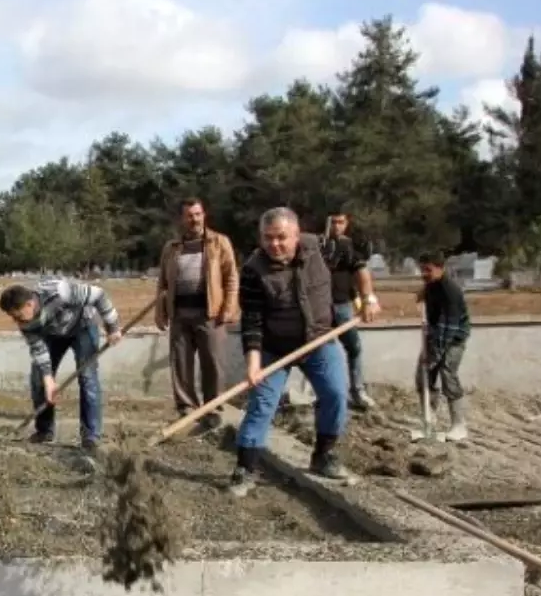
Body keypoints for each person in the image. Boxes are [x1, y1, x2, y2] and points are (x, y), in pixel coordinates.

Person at [229, 207, 379, 498]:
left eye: (281, 237)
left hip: (319, 341)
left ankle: (323, 455)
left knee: (336, 394)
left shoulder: (323, 248)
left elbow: (358, 265)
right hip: (275, 347)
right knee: (262, 404)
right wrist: (253, 364)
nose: (274, 244)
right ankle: (245, 469)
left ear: (297, 235)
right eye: (268, 238)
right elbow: (252, 321)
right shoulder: (252, 269)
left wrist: (368, 297)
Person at [0, 278, 122, 451]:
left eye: (17, 315)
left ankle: (90, 436)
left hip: (82, 326)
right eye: (12, 317)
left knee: (87, 377)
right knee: (39, 379)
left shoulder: (60, 292)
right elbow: (38, 349)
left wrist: (113, 326)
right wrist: (48, 380)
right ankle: (44, 430)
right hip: (53, 333)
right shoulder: (25, 322)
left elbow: (98, 295)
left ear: (29, 304)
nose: (16, 321)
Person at [154, 197, 238, 430]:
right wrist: (161, 313)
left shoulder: (219, 242)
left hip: (210, 314)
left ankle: (213, 409)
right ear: (182, 218)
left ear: (204, 215)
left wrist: (228, 308)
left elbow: (231, 277)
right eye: (189, 215)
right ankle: (186, 409)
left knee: (213, 363)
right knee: (181, 364)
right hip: (180, 314)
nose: (194, 219)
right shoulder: (171, 248)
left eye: (198, 214)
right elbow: (162, 283)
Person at [320, 210, 380, 410]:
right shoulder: (317, 246)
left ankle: (357, 391)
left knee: (353, 348)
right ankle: (326, 394)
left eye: (341, 222)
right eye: (334, 222)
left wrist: (365, 300)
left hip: (342, 305)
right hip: (320, 308)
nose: (337, 226)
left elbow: (358, 272)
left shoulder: (348, 246)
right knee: (321, 352)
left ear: (346, 224)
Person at [416, 251, 471, 442]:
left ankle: (459, 425)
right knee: (422, 376)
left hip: (454, 337)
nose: (424, 273)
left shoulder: (451, 291)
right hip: (436, 334)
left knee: (447, 373)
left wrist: (433, 356)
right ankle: (429, 421)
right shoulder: (432, 285)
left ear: (441, 268)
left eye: (428, 270)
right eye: (422, 269)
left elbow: (448, 327)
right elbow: (427, 301)